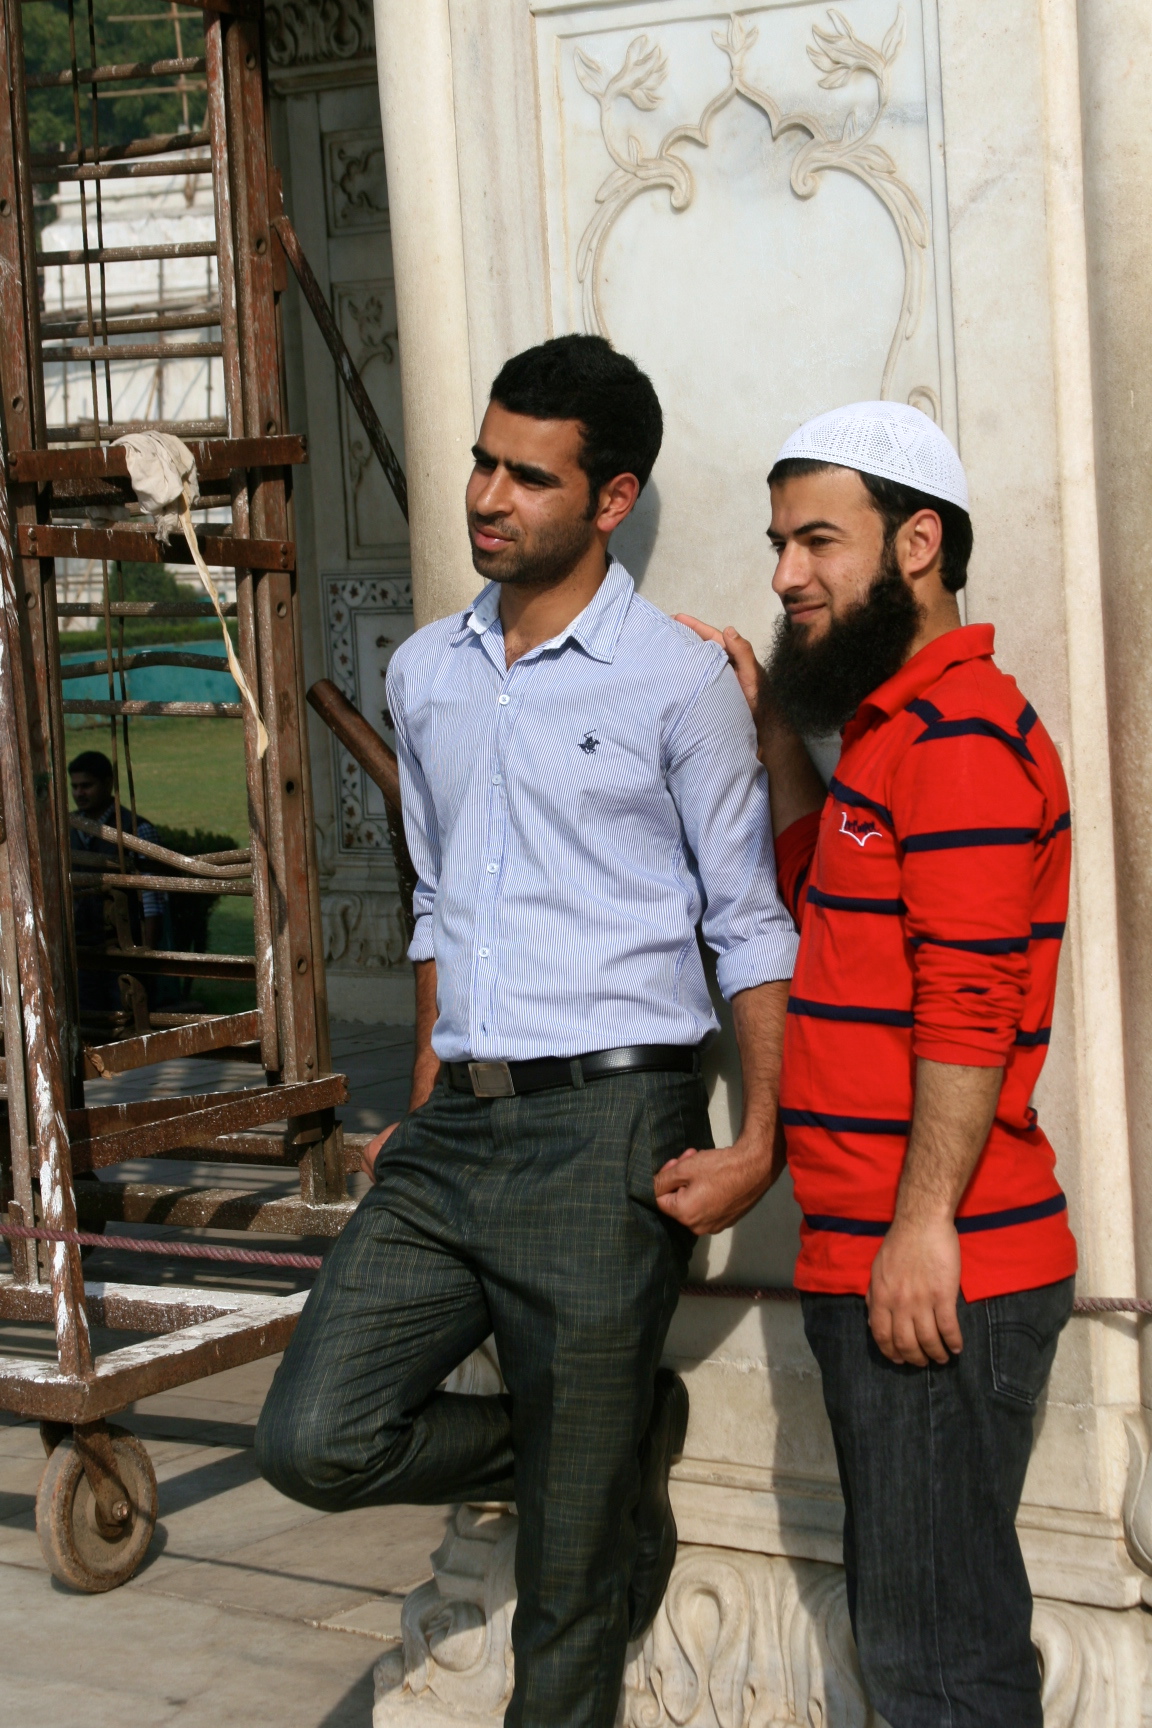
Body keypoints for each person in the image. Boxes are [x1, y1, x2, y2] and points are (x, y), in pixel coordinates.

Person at [255, 335, 799, 1727]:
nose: (488, 495)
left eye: (527, 475)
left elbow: (746, 924)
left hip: (611, 1127)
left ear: (610, 500)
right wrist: (429, 1088)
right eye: (483, 461)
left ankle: (592, 1463)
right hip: (457, 1135)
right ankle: (607, 1442)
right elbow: (438, 900)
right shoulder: (429, 673)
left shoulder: (676, 681)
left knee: (568, 1586)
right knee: (312, 1437)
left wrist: (761, 1145)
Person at [675, 401, 1078, 1728]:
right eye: (780, 542)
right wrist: (779, 736)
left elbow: (972, 1006)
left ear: (917, 542)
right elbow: (817, 910)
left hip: (936, 1263)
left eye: (818, 541)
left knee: (937, 1655)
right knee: (920, 1626)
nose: (788, 573)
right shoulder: (890, 738)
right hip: (875, 1258)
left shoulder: (960, 737)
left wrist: (920, 1227)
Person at [68, 749, 170, 1015]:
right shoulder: (64, 829)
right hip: (82, 952)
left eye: (86, 785)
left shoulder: (136, 829)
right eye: (75, 787)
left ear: (108, 783)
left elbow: (152, 901)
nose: (79, 793)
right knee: (87, 1023)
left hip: (125, 950)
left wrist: (144, 955)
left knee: (130, 1021)